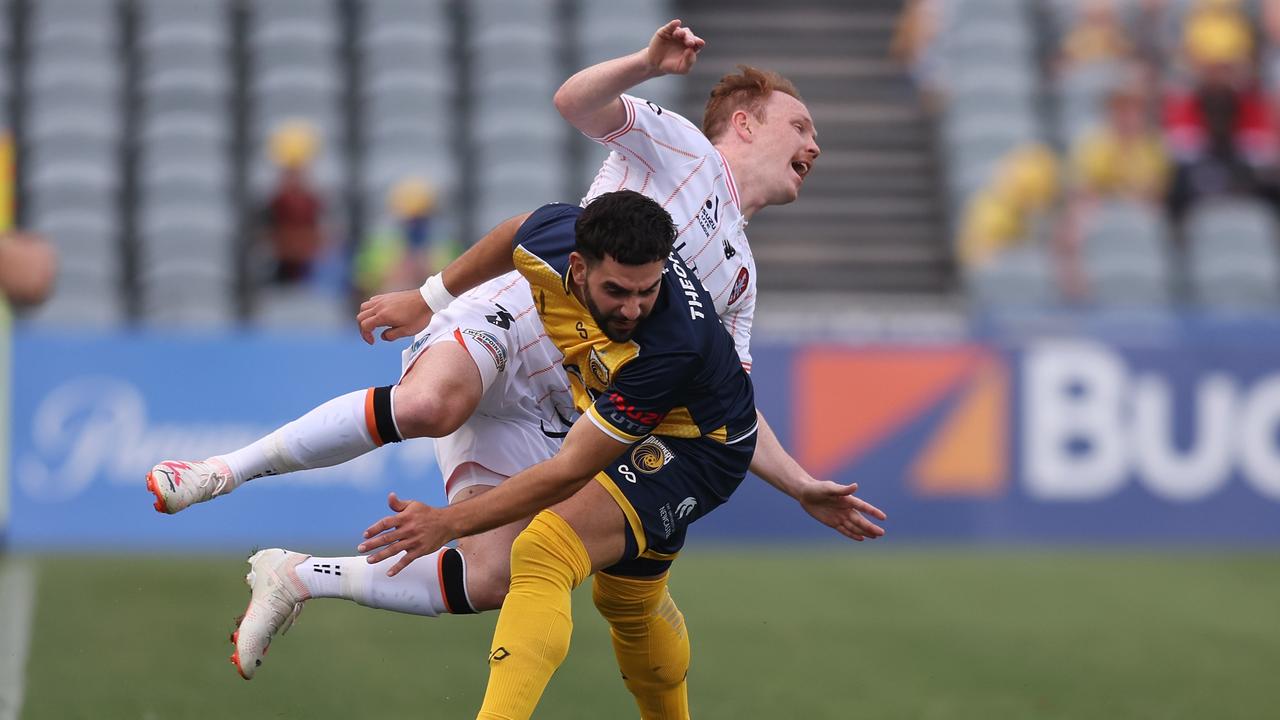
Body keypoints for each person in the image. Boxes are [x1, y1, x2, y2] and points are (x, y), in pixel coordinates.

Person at [149, 19, 879, 679]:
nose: (814, 144)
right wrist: (646, 64)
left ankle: (297, 576)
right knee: (432, 403)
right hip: (515, 319)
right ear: (744, 125)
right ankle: (218, 472)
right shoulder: (686, 148)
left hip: (556, 407)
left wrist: (802, 483)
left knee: (498, 575)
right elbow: (574, 105)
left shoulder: (742, 279)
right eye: (801, 124)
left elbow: (732, 408)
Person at [362, 191, 886, 718]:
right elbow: (515, 232)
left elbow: (568, 471)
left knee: (545, 547)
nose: (633, 308)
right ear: (577, 265)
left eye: (647, 291)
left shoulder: (668, 346)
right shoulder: (557, 233)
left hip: (697, 451)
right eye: (617, 291)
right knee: (627, 602)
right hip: (646, 422)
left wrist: (449, 522)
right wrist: (429, 298)